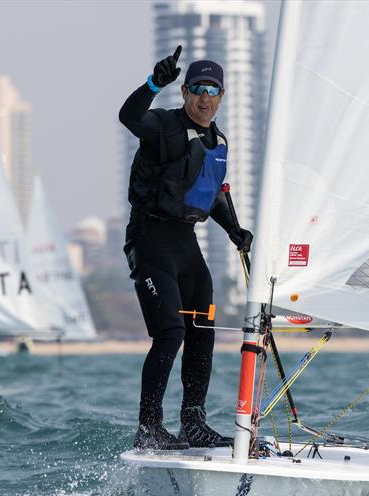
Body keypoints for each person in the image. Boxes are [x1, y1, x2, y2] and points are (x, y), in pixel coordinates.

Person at [119, 45, 253, 449]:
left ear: (222, 96)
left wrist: (235, 230)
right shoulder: (163, 125)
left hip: (186, 245)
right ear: (185, 92)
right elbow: (129, 117)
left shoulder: (219, 142)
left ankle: (193, 421)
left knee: (202, 330)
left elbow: (211, 195)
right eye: (197, 88)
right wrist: (152, 84)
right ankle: (150, 428)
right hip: (151, 240)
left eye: (212, 90)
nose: (204, 98)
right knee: (171, 332)